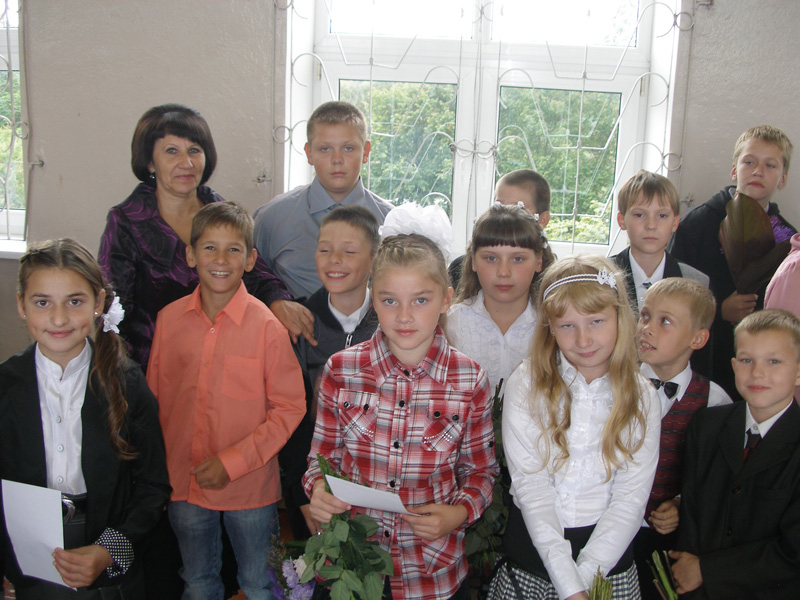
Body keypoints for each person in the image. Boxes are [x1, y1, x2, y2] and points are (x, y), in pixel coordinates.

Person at [302, 220, 499, 600]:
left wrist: (458, 514)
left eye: (420, 300)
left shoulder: (469, 380)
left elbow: (480, 472)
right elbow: (321, 459)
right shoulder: (341, 371)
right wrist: (320, 489)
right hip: (353, 563)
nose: (404, 316)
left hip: (431, 571)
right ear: (372, 300)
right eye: (390, 300)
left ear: (446, 300)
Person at [146, 202, 306, 600]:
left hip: (249, 489)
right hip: (184, 485)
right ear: (190, 254)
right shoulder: (168, 320)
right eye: (209, 248)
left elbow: (289, 408)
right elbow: (154, 403)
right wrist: (157, 478)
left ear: (250, 259)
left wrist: (232, 462)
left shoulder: (268, 328)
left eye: (233, 249)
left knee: (258, 584)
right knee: (197, 580)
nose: (220, 260)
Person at [0, 238, 171, 599]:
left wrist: (109, 550)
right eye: (42, 302)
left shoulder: (128, 384)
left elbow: (153, 486)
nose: (59, 318)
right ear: (21, 305)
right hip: (29, 558)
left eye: (74, 301)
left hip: (110, 554)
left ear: (98, 303)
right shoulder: (5, 387)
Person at [488, 255, 661, 600]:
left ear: (619, 318)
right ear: (550, 327)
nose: (583, 340)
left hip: (607, 564)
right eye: (567, 325)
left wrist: (584, 579)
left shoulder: (642, 395)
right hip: (534, 555)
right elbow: (532, 487)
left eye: (596, 321)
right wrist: (569, 586)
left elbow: (630, 499)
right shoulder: (527, 382)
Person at [98, 103, 314, 372]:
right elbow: (111, 310)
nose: (186, 163)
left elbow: (255, 272)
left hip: (224, 356)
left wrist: (278, 300)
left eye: (194, 150)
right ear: (150, 162)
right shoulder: (126, 220)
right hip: (154, 365)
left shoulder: (218, 209)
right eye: (172, 151)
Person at [671, 309, 800, 599]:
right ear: (733, 365)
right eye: (746, 360)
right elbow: (691, 513)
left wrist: (707, 571)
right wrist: (688, 578)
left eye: (774, 361)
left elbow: (793, 551)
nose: (757, 372)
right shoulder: (706, 426)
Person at [669, 125, 796, 397]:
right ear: (734, 170)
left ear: (783, 178)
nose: (758, 171)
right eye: (749, 162)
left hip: (758, 372)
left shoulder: (789, 241)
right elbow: (673, 293)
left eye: (770, 165)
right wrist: (717, 310)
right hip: (702, 362)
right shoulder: (698, 225)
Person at [283, 204, 381, 539]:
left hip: (378, 484)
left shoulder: (393, 326)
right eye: (325, 250)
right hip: (312, 483)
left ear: (374, 260)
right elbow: (290, 416)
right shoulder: (298, 327)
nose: (334, 260)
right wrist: (302, 494)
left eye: (349, 251)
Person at [632, 278, 731, 600]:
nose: (647, 329)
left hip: (673, 540)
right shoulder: (615, 387)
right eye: (645, 316)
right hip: (611, 530)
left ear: (697, 338)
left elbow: (717, 481)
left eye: (665, 321)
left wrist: (680, 503)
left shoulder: (715, 401)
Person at [254, 101, 394, 300]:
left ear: (366, 152)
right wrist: (275, 300)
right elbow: (250, 278)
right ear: (309, 153)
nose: (337, 159)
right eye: (325, 149)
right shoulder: (271, 218)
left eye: (348, 148)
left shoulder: (391, 223)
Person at [446, 202, 554, 395]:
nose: (504, 272)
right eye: (491, 258)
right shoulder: (451, 323)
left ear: (538, 261)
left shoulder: (551, 324)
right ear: (473, 261)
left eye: (518, 259)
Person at [612, 170, 709, 314]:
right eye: (639, 215)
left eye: (662, 215)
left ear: (675, 222)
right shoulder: (602, 277)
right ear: (622, 220)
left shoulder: (696, 282)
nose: (651, 225)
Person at [448, 169, 552, 287]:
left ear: (542, 220)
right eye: (499, 206)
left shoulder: (554, 279)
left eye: (518, 208)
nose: (505, 216)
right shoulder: (459, 269)